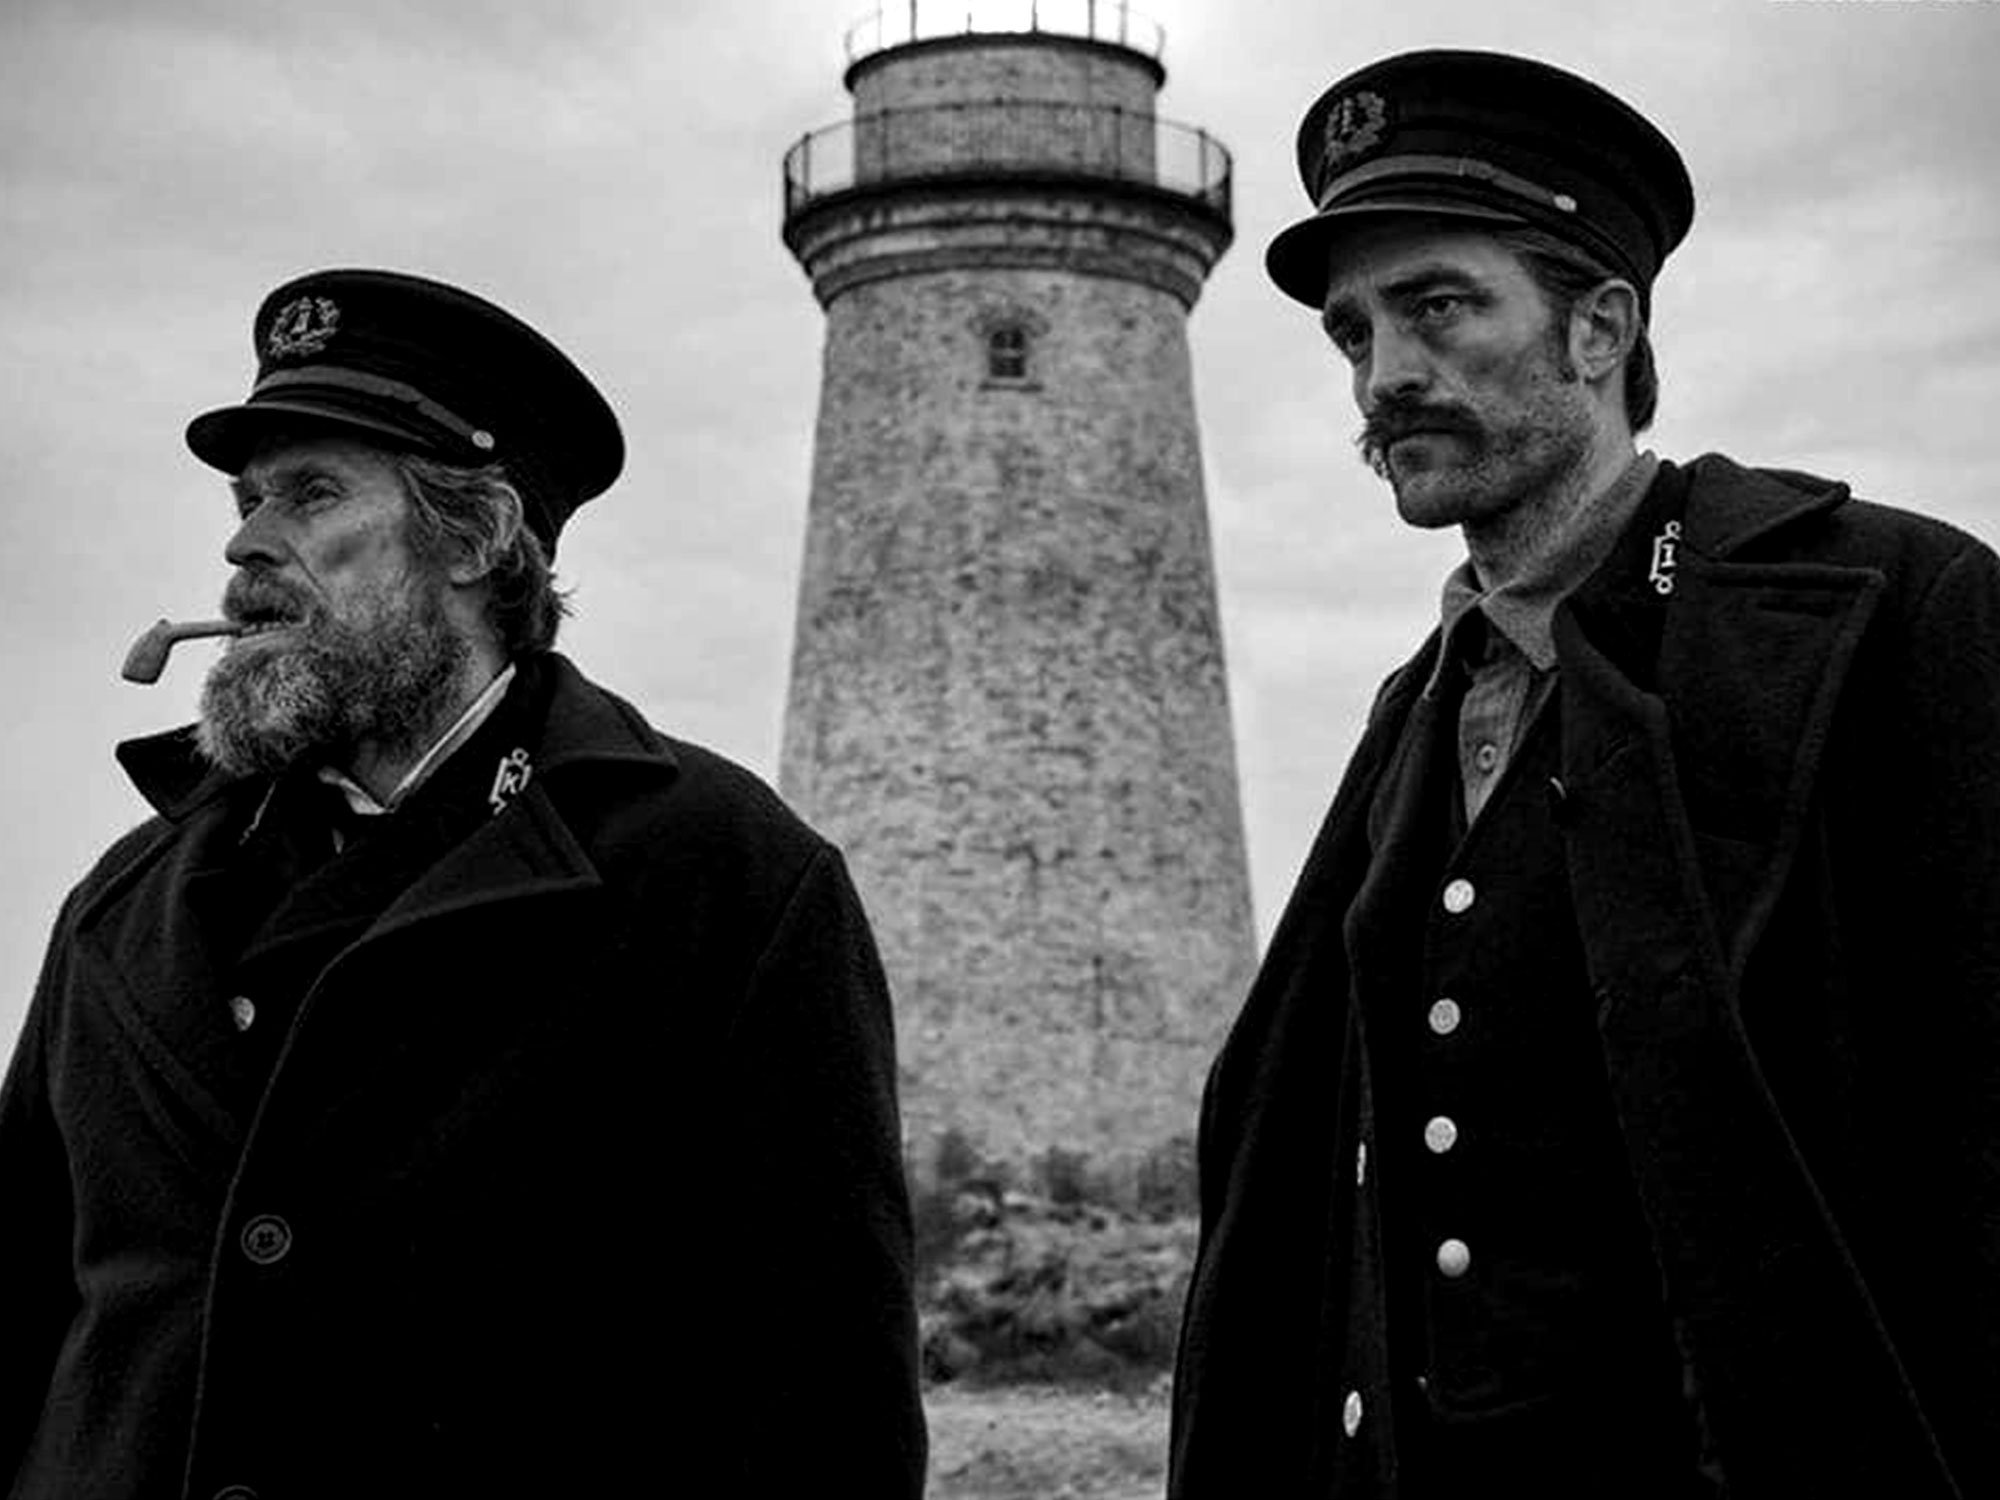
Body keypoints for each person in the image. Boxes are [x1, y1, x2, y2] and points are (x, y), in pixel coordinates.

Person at [1168, 49, 1999, 1500]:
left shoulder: (1886, 610)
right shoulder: (1414, 712)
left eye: (1438, 306)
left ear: (1600, 326)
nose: (1385, 374)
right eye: (1356, 331)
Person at [0, 269, 927, 1498]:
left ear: (477, 537)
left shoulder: (721, 876)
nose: (243, 543)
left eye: (311, 494)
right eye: (245, 498)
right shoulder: (130, 896)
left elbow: (824, 1401)